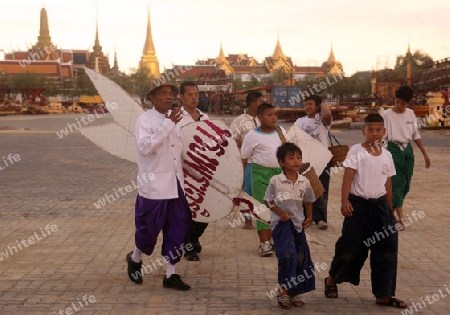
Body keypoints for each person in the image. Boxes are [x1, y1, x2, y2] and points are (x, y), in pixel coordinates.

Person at [324, 114, 408, 309]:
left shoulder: (387, 155)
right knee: (350, 248)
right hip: (358, 207)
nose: (375, 134)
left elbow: (388, 185)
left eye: (378, 130)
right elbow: (348, 177)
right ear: (364, 131)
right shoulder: (356, 151)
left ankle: (384, 294)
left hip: (380, 208)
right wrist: (344, 201)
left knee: (387, 249)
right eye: (371, 130)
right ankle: (331, 280)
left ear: (384, 132)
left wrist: (390, 212)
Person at [126, 83, 192, 291]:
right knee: (148, 229)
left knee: (177, 229)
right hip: (154, 185)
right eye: (163, 93)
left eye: (171, 93)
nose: (168, 97)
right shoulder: (145, 120)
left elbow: (179, 150)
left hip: (176, 184)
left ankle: (170, 274)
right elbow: (145, 148)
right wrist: (168, 126)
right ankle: (135, 258)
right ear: (152, 97)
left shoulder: (177, 118)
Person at [264, 142, 316, 309]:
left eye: (298, 157)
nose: (296, 161)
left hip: (298, 226)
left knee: (301, 259)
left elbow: (309, 200)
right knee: (287, 256)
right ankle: (283, 291)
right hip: (281, 225)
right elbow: (268, 200)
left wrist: (309, 217)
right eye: (291, 158)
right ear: (281, 162)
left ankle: (295, 292)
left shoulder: (304, 181)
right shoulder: (276, 181)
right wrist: (280, 213)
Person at [241, 103, 290, 257]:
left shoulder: (281, 131)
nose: (273, 117)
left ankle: (277, 240)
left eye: (275, 114)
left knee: (280, 207)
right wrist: (242, 179)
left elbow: (289, 150)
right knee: (262, 209)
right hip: (259, 175)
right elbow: (244, 157)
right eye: (269, 115)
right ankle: (264, 243)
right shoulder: (252, 135)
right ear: (259, 117)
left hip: (279, 175)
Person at [383, 85, 431, 230]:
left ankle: (394, 218)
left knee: (405, 185)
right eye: (397, 102)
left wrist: (424, 153)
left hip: (407, 151)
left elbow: (415, 134)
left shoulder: (410, 114)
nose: (399, 106)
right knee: (395, 185)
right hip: (392, 149)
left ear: (408, 103)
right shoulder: (386, 114)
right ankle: (395, 218)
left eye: (402, 103)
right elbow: (382, 136)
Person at [177, 81, 210, 261]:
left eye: (196, 94)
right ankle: (187, 245)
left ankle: (194, 236)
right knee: (187, 209)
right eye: (189, 94)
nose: (194, 98)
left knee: (206, 208)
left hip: (204, 169)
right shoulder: (175, 118)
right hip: (182, 170)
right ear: (181, 97)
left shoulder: (204, 117)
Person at [294, 94, 332, 230]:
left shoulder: (322, 120)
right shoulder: (300, 121)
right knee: (304, 188)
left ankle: (320, 218)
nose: (307, 107)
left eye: (310, 104)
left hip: (322, 159)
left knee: (322, 188)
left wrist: (321, 104)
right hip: (306, 160)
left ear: (317, 106)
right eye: (305, 104)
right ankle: (305, 217)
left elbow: (327, 116)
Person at [230, 91, 263, 229]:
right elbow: (232, 137)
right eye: (260, 101)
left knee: (262, 191)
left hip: (262, 162)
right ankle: (247, 219)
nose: (262, 103)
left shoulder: (264, 118)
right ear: (252, 103)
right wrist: (247, 146)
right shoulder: (240, 120)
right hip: (247, 162)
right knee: (247, 192)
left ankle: (263, 219)